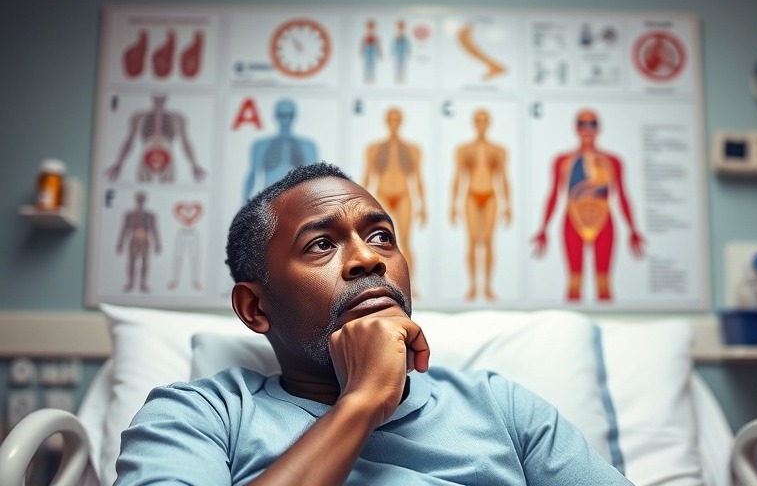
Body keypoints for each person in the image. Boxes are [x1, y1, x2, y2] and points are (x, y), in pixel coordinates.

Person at [115, 162, 632, 485]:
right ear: (255, 308)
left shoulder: (501, 406)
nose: (368, 259)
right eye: (321, 244)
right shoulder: (201, 416)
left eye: (382, 235)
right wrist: (361, 403)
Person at [532, 109, 645, 302]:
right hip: (573, 221)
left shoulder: (613, 161)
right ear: (575, 128)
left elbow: (623, 196)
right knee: (574, 282)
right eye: (582, 124)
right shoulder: (562, 161)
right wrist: (543, 228)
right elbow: (554, 195)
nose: (587, 129)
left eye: (591, 124)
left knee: (604, 283)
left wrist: (633, 229)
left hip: (604, 222)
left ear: (598, 128)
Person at [449, 108, 512, 301]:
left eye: (485, 120)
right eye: (478, 120)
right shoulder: (463, 150)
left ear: (488, 123)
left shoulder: (499, 150)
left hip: (491, 195)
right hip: (471, 195)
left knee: (488, 242)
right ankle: (473, 287)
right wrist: (453, 203)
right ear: (474, 123)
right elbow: (458, 177)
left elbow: (503, 178)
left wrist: (508, 204)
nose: (481, 124)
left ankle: (487, 287)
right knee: (473, 241)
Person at [363, 107, 426, 293]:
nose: (394, 122)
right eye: (391, 118)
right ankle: (380, 286)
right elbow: (367, 177)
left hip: (404, 195)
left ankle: (409, 287)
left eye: (397, 118)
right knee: (377, 244)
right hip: (382, 194)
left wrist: (423, 205)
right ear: (386, 121)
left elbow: (417, 178)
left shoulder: (413, 149)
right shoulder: (374, 149)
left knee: (405, 241)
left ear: (401, 121)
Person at [106, 93, 206, 183]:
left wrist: (194, 164)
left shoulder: (178, 117)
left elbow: (184, 141)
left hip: (168, 156)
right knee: (143, 185)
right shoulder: (138, 116)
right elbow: (129, 140)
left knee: (167, 189)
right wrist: (119, 162)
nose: (159, 97)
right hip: (146, 155)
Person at [242, 98, 318, 203]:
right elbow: (252, 176)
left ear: (294, 117)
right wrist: (244, 204)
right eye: (281, 115)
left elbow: (314, 179)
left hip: (297, 201)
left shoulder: (308, 146)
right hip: (270, 200)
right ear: (276, 116)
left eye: (289, 115)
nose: (285, 120)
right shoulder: (261, 146)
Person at [115, 191, 161, 293]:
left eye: (142, 199)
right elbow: (124, 229)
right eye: (139, 199)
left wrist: (157, 243)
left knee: (144, 262)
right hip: (134, 239)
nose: (140, 201)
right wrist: (120, 242)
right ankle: (131, 283)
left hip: (145, 240)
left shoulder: (150, 215)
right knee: (131, 262)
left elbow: (154, 230)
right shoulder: (129, 215)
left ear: (144, 201)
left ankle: (143, 283)